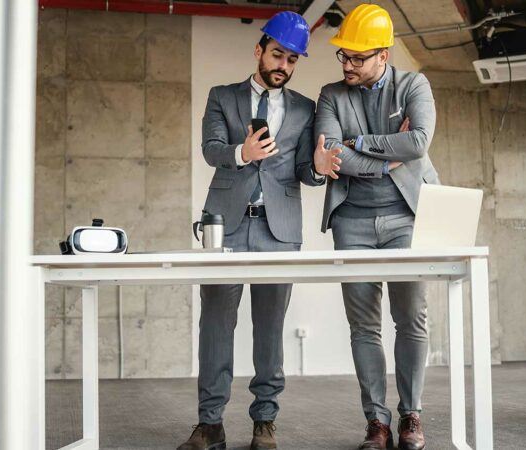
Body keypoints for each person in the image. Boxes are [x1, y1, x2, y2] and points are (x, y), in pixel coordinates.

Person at [177, 11, 326, 450]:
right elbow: (211, 150)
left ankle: (265, 421)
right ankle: (210, 424)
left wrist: (317, 171)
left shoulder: (305, 109)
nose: (284, 65)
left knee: (270, 330)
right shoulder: (222, 96)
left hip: (279, 230)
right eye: (278, 54)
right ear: (259, 50)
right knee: (216, 327)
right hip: (225, 226)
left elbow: (303, 169)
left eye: (293, 59)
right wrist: (240, 152)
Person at [313, 4, 440, 450]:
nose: (347, 64)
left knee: (411, 318)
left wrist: (361, 143)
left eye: (357, 58)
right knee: (363, 326)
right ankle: (377, 422)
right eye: (343, 56)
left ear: (382, 56)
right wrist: (389, 159)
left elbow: (419, 141)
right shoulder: (331, 95)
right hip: (352, 220)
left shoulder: (414, 86)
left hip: (408, 216)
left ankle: (410, 416)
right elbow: (331, 154)